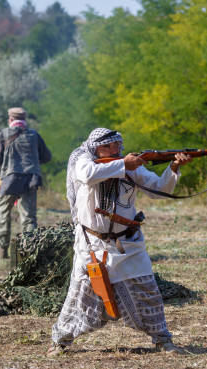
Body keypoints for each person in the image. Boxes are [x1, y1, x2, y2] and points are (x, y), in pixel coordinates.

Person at [48, 128, 192, 356]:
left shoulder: (129, 165)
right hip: (91, 244)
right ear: (96, 148)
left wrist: (174, 166)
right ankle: (61, 342)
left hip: (128, 244)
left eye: (117, 145)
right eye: (109, 147)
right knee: (80, 297)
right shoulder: (83, 159)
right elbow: (87, 174)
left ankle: (163, 340)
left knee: (148, 293)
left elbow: (159, 189)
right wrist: (124, 164)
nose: (115, 150)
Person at [0, 107, 51, 258]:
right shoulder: (34, 135)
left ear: (10, 120)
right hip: (31, 179)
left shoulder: (4, 134)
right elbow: (46, 157)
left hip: (10, 179)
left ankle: (2, 248)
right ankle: (30, 249)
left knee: (2, 213)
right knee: (28, 217)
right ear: (24, 120)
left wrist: (1, 172)